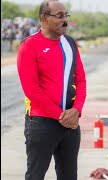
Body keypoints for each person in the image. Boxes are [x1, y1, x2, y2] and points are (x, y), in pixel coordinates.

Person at [16, 0, 86, 179]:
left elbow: (81, 81)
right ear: (44, 18)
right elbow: (31, 90)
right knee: (35, 175)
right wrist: (61, 116)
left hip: (70, 123)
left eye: (66, 15)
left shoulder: (70, 44)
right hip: (42, 123)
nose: (65, 20)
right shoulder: (29, 46)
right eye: (59, 16)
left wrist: (76, 111)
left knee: (69, 176)